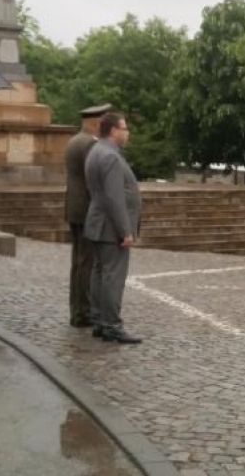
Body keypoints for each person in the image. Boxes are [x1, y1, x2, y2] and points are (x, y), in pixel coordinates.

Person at [84, 111, 143, 344]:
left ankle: (99, 320)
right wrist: (125, 230)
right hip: (110, 227)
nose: (127, 133)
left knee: (100, 273)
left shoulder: (96, 151)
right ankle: (111, 325)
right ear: (113, 131)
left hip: (99, 223)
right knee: (112, 276)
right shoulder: (109, 156)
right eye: (124, 128)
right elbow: (114, 197)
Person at [64, 103, 110, 328]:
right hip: (86, 209)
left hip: (74, 207)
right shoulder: (90, 144)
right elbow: (95, 179)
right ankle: (83, 312)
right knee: (86, 263)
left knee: (78, 262)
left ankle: (77, 310)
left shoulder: (74, 140)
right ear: (96, 123)